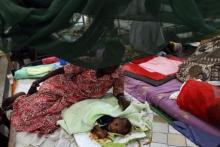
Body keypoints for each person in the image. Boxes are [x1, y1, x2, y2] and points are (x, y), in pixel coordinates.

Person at [3, 63, 130, 134]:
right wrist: (38, 81)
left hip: (75, 99)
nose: (112, 66)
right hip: (62, 86)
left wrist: (122, 98)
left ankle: (23, 98)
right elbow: (62, 70)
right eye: (110, 61)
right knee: (35, 109)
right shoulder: (89, 61)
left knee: (49, 123)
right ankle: (21, 98)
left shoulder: (118, 72)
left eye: (115, 64)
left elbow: (119, 90)